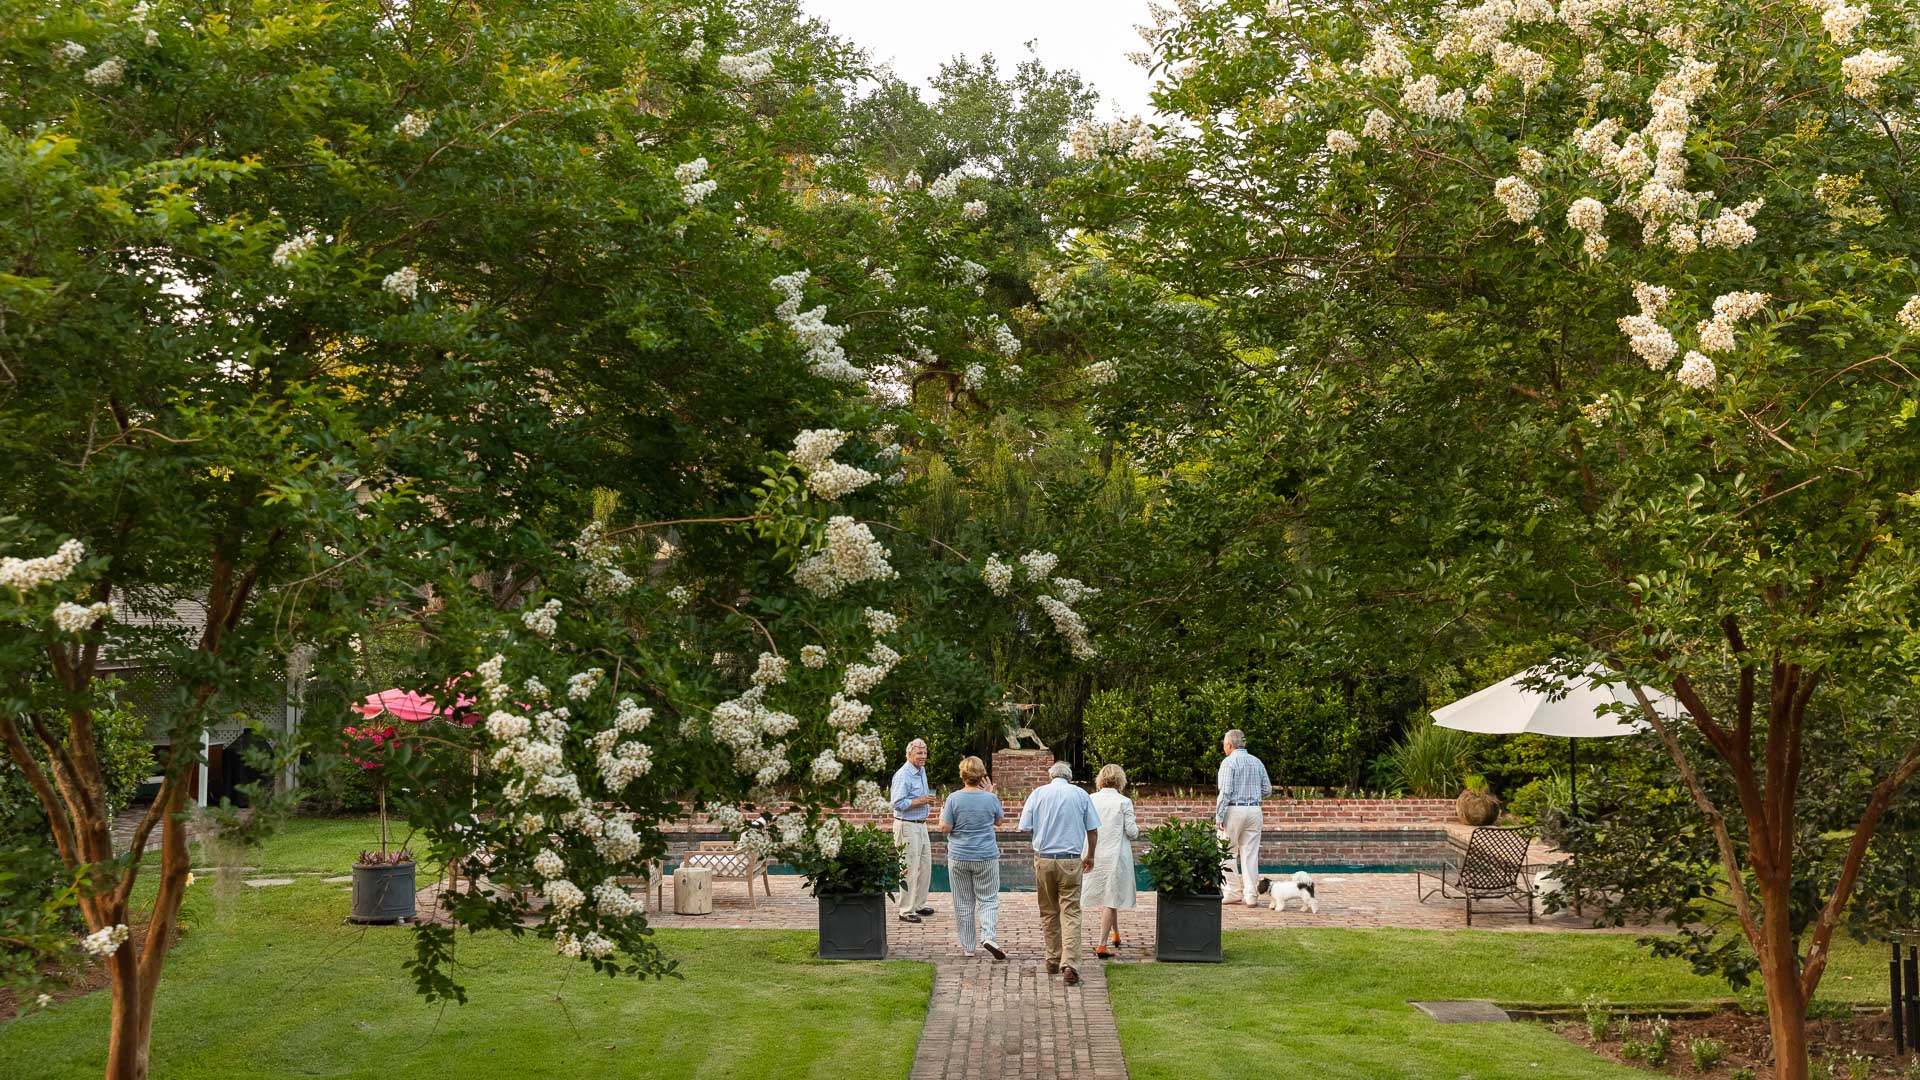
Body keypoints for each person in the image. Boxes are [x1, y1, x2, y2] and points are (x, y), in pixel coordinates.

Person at [1017, 760, 1100, 985]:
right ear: (1069, 776)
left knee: (1049, 911)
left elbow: (1025, 826)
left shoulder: (1038, 793)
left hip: (1044, 859)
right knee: (1071, 911)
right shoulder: (1080, 795)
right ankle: (1070, 963)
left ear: (1050, 776)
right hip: (1071, 860)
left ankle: (1052, 959)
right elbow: (1092, 830)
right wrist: (1090, 855)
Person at [938, 756, 1005, 960]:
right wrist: (990, 795)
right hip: (985, 856)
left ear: (963, 775)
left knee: (963, 902)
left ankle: (968, 947)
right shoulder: (990, 798)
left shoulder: (953, 798)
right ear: (981, 775)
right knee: (989, 899)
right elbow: (1000, 822)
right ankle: (988, 936)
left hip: (959, 856)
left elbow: (945, 827)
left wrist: (941, 814)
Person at [1085, 764, 1139, 959]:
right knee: (1110, 896)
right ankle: (1101, 945)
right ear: (1120, 780)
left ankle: (1115, 934)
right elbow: (1132, 833)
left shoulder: (1091, 799)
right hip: (1116, 855)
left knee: (1109, 896)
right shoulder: (1124, 802)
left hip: (1095, 853)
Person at [1214, 728, 1271, 906]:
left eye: (1224, 745)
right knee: (1250, 854)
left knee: (1227, 851)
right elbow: (1267, 790)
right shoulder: (1257, 762)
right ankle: (1251, 895)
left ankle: (1232, 892)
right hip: (1254, 810)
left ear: (1229, 745)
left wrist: (1219, 816)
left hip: (1233, 810)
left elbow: (1225, 792)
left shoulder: (1228, 763)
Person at [890, 738, 936, 923]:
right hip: (906, 824)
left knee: (925, 865)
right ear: (909, 754)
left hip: (921, 824)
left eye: (924, 753)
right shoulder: (903, 774)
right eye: (919, 753)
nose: (923, 756)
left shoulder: (921, 770)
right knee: (908, 867)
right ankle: (905, 910)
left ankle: (919, 904)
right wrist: (921, 801)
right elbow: (897, 803)